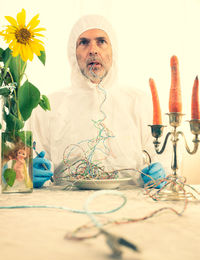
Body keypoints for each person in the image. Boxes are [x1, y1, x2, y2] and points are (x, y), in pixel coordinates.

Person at [32, 14, 167, 188]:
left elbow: (162, 157)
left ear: (113, 50)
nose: (93, 50)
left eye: (101, 41)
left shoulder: (139, 101)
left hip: (131, 204)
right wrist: (29, 173)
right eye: (84, 42)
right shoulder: (49, 105)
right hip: (65, 205)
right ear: (73, 53)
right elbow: (34, 158)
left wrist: (162, 170)